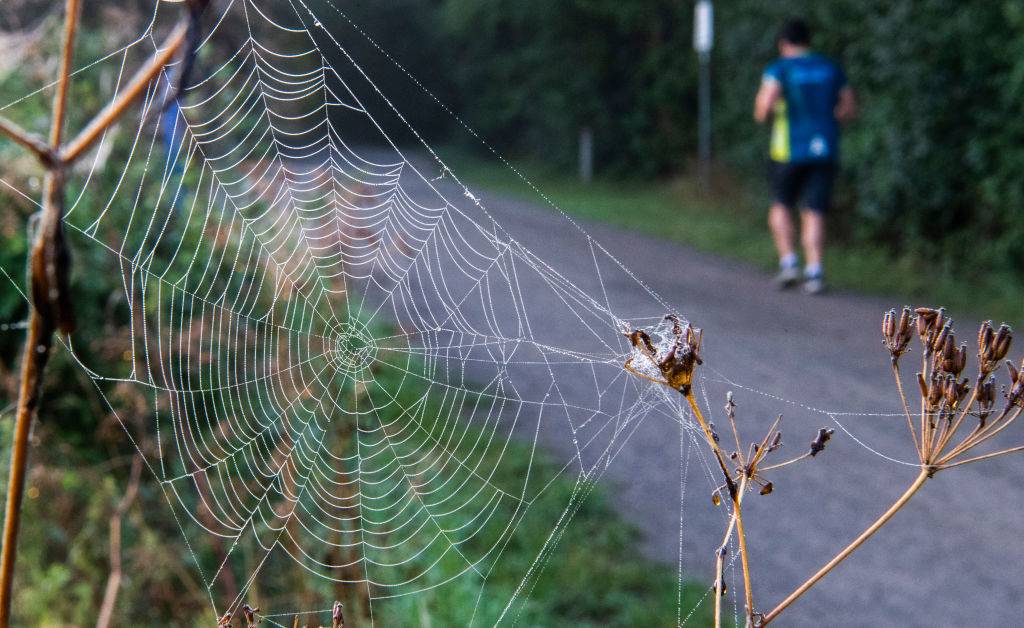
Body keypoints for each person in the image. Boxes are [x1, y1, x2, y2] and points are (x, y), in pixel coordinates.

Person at [754, 18, 856, 294]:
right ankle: (815, 271)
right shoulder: (830, 67)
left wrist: (769, 111)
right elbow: (848, 108)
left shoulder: (781, 68)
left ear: (783, 43)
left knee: (781, 205)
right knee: (815, 211)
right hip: (824, 148)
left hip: (787, 151)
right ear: (808, 41)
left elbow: (763, 107)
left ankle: (789, 264)